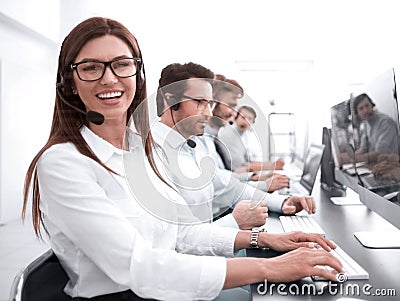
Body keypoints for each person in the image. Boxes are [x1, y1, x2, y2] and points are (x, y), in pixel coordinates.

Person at [22, 17, 342, 301]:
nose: (109, 79)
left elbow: (181, 234)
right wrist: (269, 267)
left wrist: (272, 239)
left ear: (138, 74)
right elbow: (140, 267)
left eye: (121, 64)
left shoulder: (143, 150)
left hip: (168, 285)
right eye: (91, 67)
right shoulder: (63, 163)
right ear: (70, 83)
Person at [153, 63, 314, 227]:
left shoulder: (192, 147)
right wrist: (235, 222)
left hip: (211, 241)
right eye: (200, 102)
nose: (208, 112)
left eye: (210, 104)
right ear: (169, 100)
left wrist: (282, 202)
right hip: (202, 244)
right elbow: (178, 238)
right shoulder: (152, 155)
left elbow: (229, 188)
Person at [198, 75, 289, 192]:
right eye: (230, 105)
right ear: (212, 104)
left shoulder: (211, 139)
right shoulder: (201, 140)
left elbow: (222, 176)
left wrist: (254, 178)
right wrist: (262, 184)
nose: (233, 113)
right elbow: (216, 187)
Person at [215, 85, 284, 173]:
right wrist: (271, 166)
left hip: (241, 167)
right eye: (243, 117)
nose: (245, 121)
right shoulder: (229, 134)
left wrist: (270, 165)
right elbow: (239, 165)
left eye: (249, 119)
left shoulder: (246, 135)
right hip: (236, 171)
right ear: (236, 116)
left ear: (252, 122)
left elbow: (247, 161)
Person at [352, 93, 400, 164]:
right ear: (357, 113)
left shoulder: (385, 122)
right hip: (380, 164)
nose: (365, 111)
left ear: (372, 105)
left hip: (394, 165)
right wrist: (351, 156)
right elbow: (363, 149)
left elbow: (379, 152)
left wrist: (355, 159)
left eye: (367, 106)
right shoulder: (366, 125)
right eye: (361, 108)